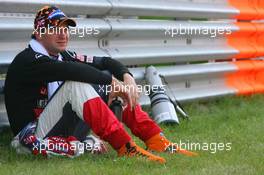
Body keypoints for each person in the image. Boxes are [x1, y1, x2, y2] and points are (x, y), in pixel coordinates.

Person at [4, 6, 196, 163]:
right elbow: (73, 71)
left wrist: (125, 76)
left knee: (103, 76)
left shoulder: (61, 55)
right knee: (79, 83)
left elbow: (105, 62)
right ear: (39, 33)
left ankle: (155, 139)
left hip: (57, 129)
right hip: (32, 137)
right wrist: (111, 82)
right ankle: (125, 147)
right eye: (54, 29)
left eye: (65, 29)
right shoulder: (29, 59)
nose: (63, 35)